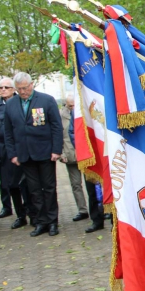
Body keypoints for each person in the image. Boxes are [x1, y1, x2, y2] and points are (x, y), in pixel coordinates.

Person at [3, 72, 63, 237]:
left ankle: (52, 221)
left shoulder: (46, 100)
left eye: (24, 88)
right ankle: (41, 221)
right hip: (24, 154)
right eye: (19, 89)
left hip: (45, 152)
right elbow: (8, 132)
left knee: (49, 188)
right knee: (34, 190)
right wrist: (12, 154)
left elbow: (56, 127)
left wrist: (56, 150)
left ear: (31, 85)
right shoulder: (11, 104)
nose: (22, 92)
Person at [0, 78, 29, 229]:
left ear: (14, 89)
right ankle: (20, 215)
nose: (3, 90)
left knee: (27, 184)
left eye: (6, 87)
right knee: (11, 185)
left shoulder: (22, 103)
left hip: (23, 149)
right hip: (5, 153)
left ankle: (31, 211)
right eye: (0, 88)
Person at [66, 105, 105, 233]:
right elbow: (72, 131)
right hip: (90, 154)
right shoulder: (77, 109)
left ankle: (114, 220)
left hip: (106, 151)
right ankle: (96, 220)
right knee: (92, 189)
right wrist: (83, 148)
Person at [60, 94, 89, 222]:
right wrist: (61, 153)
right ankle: (82, 210)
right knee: (76, 184)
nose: (72, 108)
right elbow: (58, 134)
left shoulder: (84, 111)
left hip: (86, 155)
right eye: (70, 106)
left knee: (93, 183)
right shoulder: (61, 116)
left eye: (74, 105)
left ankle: (100, 207)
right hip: (70, 154)